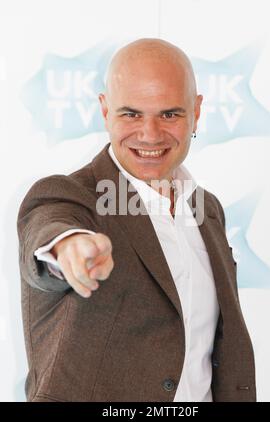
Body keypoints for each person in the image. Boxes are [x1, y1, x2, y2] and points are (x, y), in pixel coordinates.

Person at [17, 38, 256, 402]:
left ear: (196, 110)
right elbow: (49, 229)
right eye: (131, 114)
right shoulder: (71, 195)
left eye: (170, 114)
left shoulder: (208, 211)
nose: (150, 134)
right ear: (104, 110)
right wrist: (69, 248)